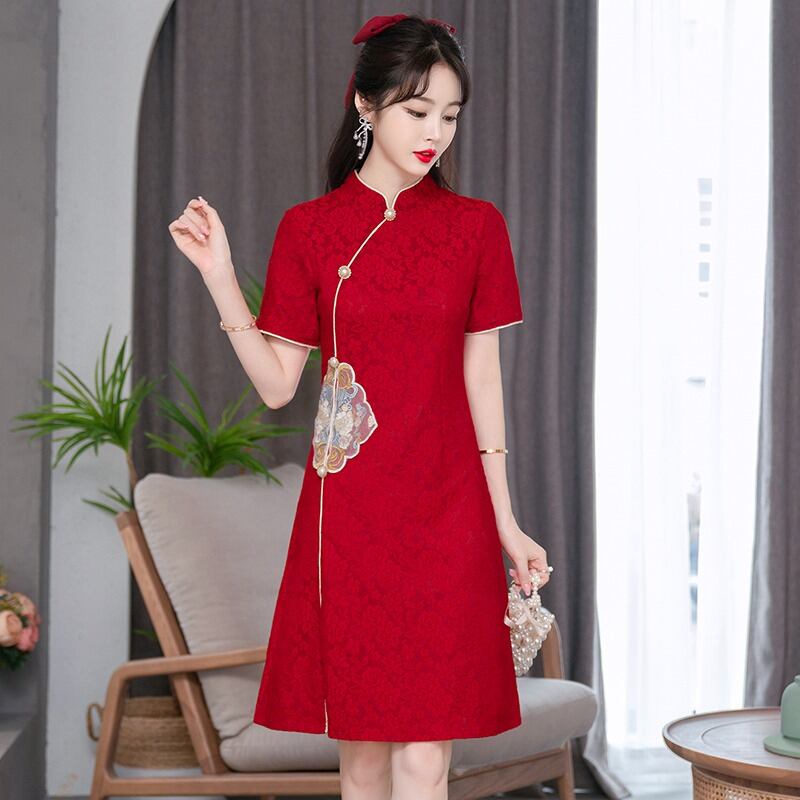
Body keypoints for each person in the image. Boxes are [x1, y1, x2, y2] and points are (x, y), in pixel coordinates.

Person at [168, 12, 552, 800]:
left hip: (450, 513)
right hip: (351, 516)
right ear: (365, 104)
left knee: (427, 756)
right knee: (365, 759)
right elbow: (278, 385)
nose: (435, 133)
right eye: (418, 110)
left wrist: (504, 520)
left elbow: (483, 379)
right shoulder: (309, 230)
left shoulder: (477, 228)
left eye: (450, 115)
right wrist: (219, 276)